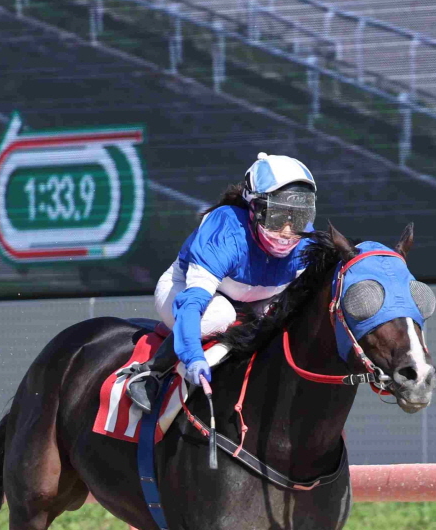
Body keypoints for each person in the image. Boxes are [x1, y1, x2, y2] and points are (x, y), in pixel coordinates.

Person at [124, 152, 317, 412]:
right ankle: (151, 373)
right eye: (278, 216)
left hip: (253, 304)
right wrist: (193, 357)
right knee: (220, 314)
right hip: (185, 292)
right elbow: (192, 303)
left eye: (298, 217)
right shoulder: (225, 229)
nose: (288, 231)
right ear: (255, 208)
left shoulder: (307, 242)